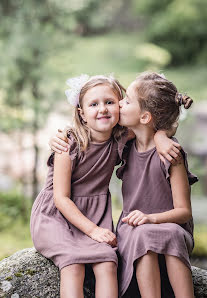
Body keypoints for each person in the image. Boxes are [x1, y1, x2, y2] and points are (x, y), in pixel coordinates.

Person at [32, 74, 178, 298]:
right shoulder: (69, 144)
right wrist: (94, 230)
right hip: (57, 216)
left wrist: (161, 136)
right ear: (81, 113)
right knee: (74, 265)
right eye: (93, 104)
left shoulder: (119, 137)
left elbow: (153, 122)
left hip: (94, 213)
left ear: (120, 106)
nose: (103, 109)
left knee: (108, 262)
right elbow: (61, 198)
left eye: (110, 102)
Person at [116, 72, 198, 298]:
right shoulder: (124, 142)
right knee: (143, 234)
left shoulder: (171, 154)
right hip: (133, 228)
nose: (120, 104)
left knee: (167, 232)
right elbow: (90, 129)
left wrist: (151, 218)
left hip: (170, 227)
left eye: (127, 101)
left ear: (144, 117)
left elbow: (184, 212)